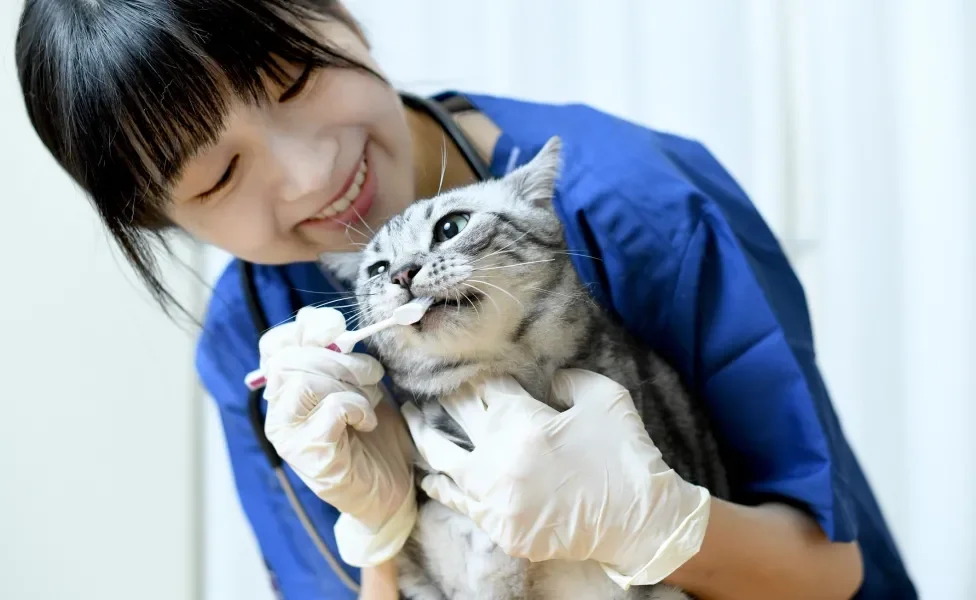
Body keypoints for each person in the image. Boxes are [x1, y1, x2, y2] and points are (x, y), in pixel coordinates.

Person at [15, 1, 916, 599]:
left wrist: (660, 525)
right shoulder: (252, 341)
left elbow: (829, 570)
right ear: (168, 220)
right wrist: (380, 529)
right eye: (220, 177)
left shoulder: (635, 202)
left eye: (294, 80)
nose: (311, 175)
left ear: (339, 17)